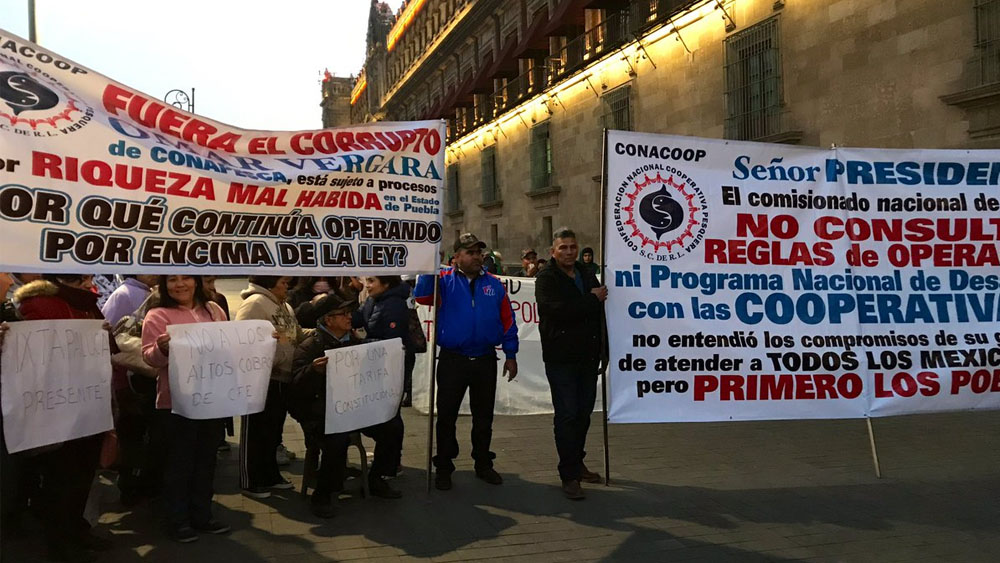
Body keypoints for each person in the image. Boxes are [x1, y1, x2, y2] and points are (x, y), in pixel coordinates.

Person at [12, 274, 114, 561]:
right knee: (60, 479)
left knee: (84, 473)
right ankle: (59, 544)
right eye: (79, 277)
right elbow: (29, 357)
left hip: (88, 403)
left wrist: (103, 334)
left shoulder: (87, 304)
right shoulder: (39, 304)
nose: (87, 281)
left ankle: (77, 530)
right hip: (56, 408)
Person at [415, 233, 519, 491]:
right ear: (457, 257)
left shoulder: (494, 284)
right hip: (453, 360)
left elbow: (508, 320)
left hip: (485, 358)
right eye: (470, 252)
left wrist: (511, 354)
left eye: (478, 252)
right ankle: (444, 467)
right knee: (446, 416)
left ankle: (483, 463)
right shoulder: (443, 280)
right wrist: (430, 266)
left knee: (483, 417)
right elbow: (422, 297)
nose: (476, 257)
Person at [290, 295, 404, 518]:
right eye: (343, 314)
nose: (349, 317)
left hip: (355, 408)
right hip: (321, 414)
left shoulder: (354, 342)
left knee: (392, 426)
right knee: (337, 439)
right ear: (328, 319)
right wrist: (313, 371)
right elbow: (296, 388)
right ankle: (323, 494)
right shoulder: (311, 346)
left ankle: (377, 477)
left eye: (349, 313)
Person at [141, 275, 232, 543]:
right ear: (164, 285)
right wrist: (161, 348)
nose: (179, 285)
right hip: (175, 403)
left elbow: (229, 345)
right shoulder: (157, 315)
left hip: (211, 399)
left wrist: (259, 341)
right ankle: (177, 520)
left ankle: (203, 515)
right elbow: (149, 359)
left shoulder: (213, 310)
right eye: (172, 280)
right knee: (179, 463)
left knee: (206, 460)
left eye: (186, 278)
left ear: (197, 281)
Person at [535, 229, 608, 500]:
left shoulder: (586, 272)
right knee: (567, 414)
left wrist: (604, 350)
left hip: (587, 356)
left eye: (572, 247)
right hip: (561, 358)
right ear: (553, 251)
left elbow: (600, 313)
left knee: (583, 413)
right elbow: (556, 311)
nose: (568, 252)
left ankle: (577, 461)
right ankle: (569, 475)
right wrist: (590, 299)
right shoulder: (546, 278)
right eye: (563, 248)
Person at [235, 276, 307, 498]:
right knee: (255, 432)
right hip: (260, 379)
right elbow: (241, 340)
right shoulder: (254, 303)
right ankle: (250, 480)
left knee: (272, 431)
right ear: (269, 283)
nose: (287, 286)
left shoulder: (284, 306)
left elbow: (297, 334)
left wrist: (320, 332)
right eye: (283, 282)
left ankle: (270, 475)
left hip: (282, 378)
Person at [355, 275, 414, 412]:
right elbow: (358, 318)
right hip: (375, 359)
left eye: (371, 281)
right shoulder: (371, 300)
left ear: (386, 283)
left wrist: (362, 343)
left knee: (388, 410)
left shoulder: (395, 304)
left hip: (392, 363)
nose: (367, 285)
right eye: (366, 281)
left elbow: (393, 340)